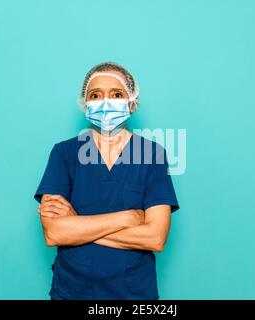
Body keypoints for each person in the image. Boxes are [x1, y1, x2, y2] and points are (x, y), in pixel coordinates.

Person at [34, 61, 180, 300]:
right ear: (85, 104)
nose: (105, 102)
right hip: (71, 292)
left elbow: (155, 237)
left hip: (134, 294)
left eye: (117, 94)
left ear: (131, 102)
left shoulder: (152, 155)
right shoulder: (64, 153)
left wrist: (77, 225)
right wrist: (128, 218)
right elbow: (54, 233)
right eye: (95, 95)